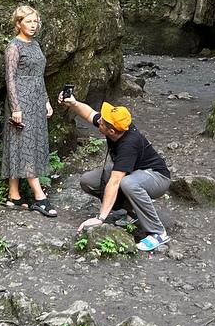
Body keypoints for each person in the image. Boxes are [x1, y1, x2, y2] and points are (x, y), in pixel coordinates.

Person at [58, 92, 171, 252]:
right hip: (133, 171)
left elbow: (115, 182)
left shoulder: (129, 144)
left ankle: (158, 232)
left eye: (102, 122)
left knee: (127, 183)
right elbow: (90, 113)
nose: (99, 121)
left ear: (111, 131)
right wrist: (73, 103)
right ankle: (132, 213)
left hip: (156, 177)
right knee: (89, 181)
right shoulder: (115, 126)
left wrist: (100, 219)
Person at [1, 3, 57, 218]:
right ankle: (40, 197)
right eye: (28, 21)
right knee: (23, 144)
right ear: (18, 23)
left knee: (26, 143)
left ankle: (13, 195)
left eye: (35, 21)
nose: (33, 25)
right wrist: (16, 108)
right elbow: (10, 78)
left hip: (36, 99)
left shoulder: (35, 44)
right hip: (20, 102)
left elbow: (39, 76)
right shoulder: (14, 46)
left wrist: (46, 101)